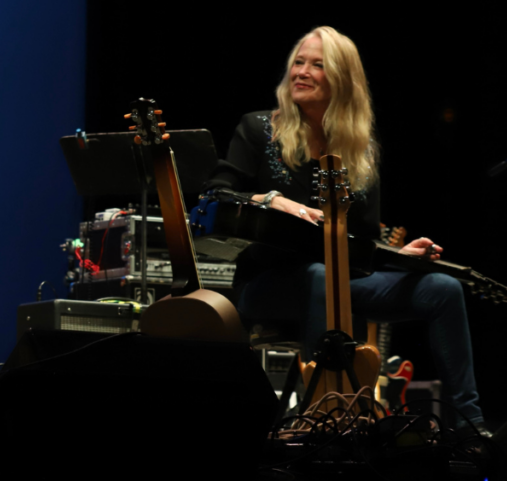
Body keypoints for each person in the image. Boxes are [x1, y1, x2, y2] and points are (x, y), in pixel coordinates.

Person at [205, 26, 489, 435]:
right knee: (320, 276)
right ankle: (326, 417)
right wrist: (270, 199)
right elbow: (215, 195)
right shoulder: (258, 129)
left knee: (443, 289)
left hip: (342, 282)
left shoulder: (361, 147)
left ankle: (471, 428)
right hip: (268, 284)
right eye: (298, 62)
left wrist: (400, 257)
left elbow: (362, 241)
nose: (301, 72)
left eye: (317, 65)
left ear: (341, 79)